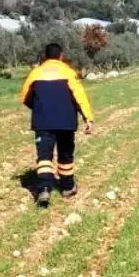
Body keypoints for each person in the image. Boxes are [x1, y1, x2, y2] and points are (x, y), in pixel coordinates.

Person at [19, 43, 95, 208]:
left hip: (42, 122)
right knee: (65, 155)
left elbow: (25, 97)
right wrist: (87, 118)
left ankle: (45, 188)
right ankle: (67, 187)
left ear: (45, 56)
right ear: (61, 56)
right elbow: (79, 97)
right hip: (66, 122)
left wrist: (40, 107)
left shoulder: (35, 73)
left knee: (44, 156)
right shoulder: (68, 72)